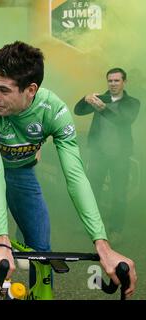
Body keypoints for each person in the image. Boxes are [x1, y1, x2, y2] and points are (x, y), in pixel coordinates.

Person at [0, 41, 137, 300]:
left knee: (41, 250)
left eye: (3, 90)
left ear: (31, 89)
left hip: (21, 168)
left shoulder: (55, 111)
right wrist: (1, 240)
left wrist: (102, 244)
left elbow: (75, 176)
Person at [74, 68, 140, 241]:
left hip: (120, 156)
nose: (113, 84)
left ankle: (116, 230)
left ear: (124, 82)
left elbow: (124, 120)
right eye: (110, 81)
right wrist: (85, 99)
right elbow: (78, 111)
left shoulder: (132, 102)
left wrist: (103, 109)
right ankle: (93, 227)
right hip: (99, 153)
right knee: (93, 191)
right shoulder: (100, 98)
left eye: (116, 81)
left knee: (118, 194)